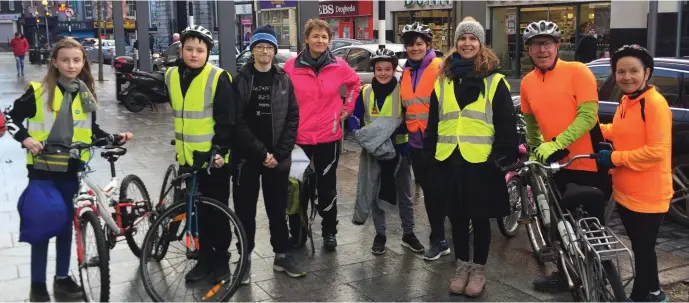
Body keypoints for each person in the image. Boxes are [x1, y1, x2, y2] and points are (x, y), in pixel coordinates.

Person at [4, 38, 132, 301]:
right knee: (41, 227)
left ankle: (62, 278)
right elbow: (10, 116)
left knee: (65, 228)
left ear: (83, 61)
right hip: (43, 171)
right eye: (65, 60)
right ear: (54, 62)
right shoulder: (38, 91)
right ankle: (37, 285)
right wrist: (26, 138)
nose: (71, 65)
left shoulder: (85, 93)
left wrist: (114, 138)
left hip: (72, 170)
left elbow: (91, 131)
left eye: (76, 60)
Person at [425, 17, 517, 297]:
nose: (467, 43)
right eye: (462, 39)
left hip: (482, 163)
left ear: (481, 44)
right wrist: (431, 158)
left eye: (472, 39)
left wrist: (500, 159)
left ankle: (478, 270)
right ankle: (462, 266)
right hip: (449, 160)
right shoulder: (443, 80)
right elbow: (434, 123)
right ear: (456, 44)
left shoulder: (495, 80)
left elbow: (506, 125)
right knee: (457, 217)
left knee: (479, 219)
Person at [520, 20, 611, 292]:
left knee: (593, 225)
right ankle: (564, 272)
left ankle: (603, 277)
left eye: (546, 44)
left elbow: (587, 116)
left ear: (557, 46)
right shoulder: (527, 82)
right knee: (557, 221)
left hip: (587, 161)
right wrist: (535, 148)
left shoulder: (578, 71)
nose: (542, 50)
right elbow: (532, 122)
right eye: (536, 45)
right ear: (528, 50)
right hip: (553, 165)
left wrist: (558, 142)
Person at [597, 44, 671, 302]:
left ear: (646, 72)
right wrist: (594, 127)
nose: (627, 77)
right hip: (626, 191)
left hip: (649, 196)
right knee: (640, 247)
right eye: (620, 72)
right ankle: (648, 292)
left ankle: (649, 294)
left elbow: (657, 151)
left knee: (643, 247)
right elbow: (619, 130)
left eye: (633, 71)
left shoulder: (654, 103)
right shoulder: (627, 101)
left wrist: (614, 158)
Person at [232, 24, 305, 283]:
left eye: (269, 47)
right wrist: (261, 153)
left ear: (274, 50)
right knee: (245, 211)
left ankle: (282, 255)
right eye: (260, 46)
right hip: (247, 159)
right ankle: (245, 258)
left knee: (277, 208)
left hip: (277, 159)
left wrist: (280, 152)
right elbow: (237, 120)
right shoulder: (242, 79)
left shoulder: (283, 79)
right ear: (253, 50)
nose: (265, 51)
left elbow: (293, 117)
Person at [163, 25, 236, 283]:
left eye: (200, 50)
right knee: (197, 213)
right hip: (187, 159)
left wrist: (219, 150)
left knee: (217, 213)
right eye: (189, 49)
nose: (194, 54)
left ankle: (221, 262)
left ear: (208, 53)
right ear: (181, 49)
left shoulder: (218, 77)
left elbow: (227, 121)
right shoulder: (171, 76)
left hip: (212, 161)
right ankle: (204, 260)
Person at [283, 18, 360, 251]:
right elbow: (281, 95)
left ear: (329, 40)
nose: (320, 40)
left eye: (324, 37)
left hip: (329, 136)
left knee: (327, 188)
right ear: (306, 39)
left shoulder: (338, 65)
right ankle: (297, 232)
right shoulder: (291, 67)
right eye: (315, 36)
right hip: (299, 139)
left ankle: (329, 232)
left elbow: (355, 83)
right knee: (298, 187)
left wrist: (348, 107)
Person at [348, 48, 424, 255]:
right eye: (379, 69)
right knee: (375, 193)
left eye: (387, 69)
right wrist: (356, 130)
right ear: (373, 70)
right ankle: (380, 235)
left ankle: (408, 234)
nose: (383, 73)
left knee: (406, 195)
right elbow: (355, 117)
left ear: (394, 70)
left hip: (400, 151)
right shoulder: (365, 92)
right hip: (374, 153)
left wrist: (407, 140)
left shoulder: (403, 91)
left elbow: (411, 117)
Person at [398, 21, 448, 261]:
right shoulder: (406, 72)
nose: (415, 48)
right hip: (416, 144)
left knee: (440, 191)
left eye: (419, 44)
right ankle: (438, 236)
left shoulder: (440, 67)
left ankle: (440, 238)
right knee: (430, 191)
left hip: (439, 142)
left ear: (428, 44)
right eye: (410, 44)